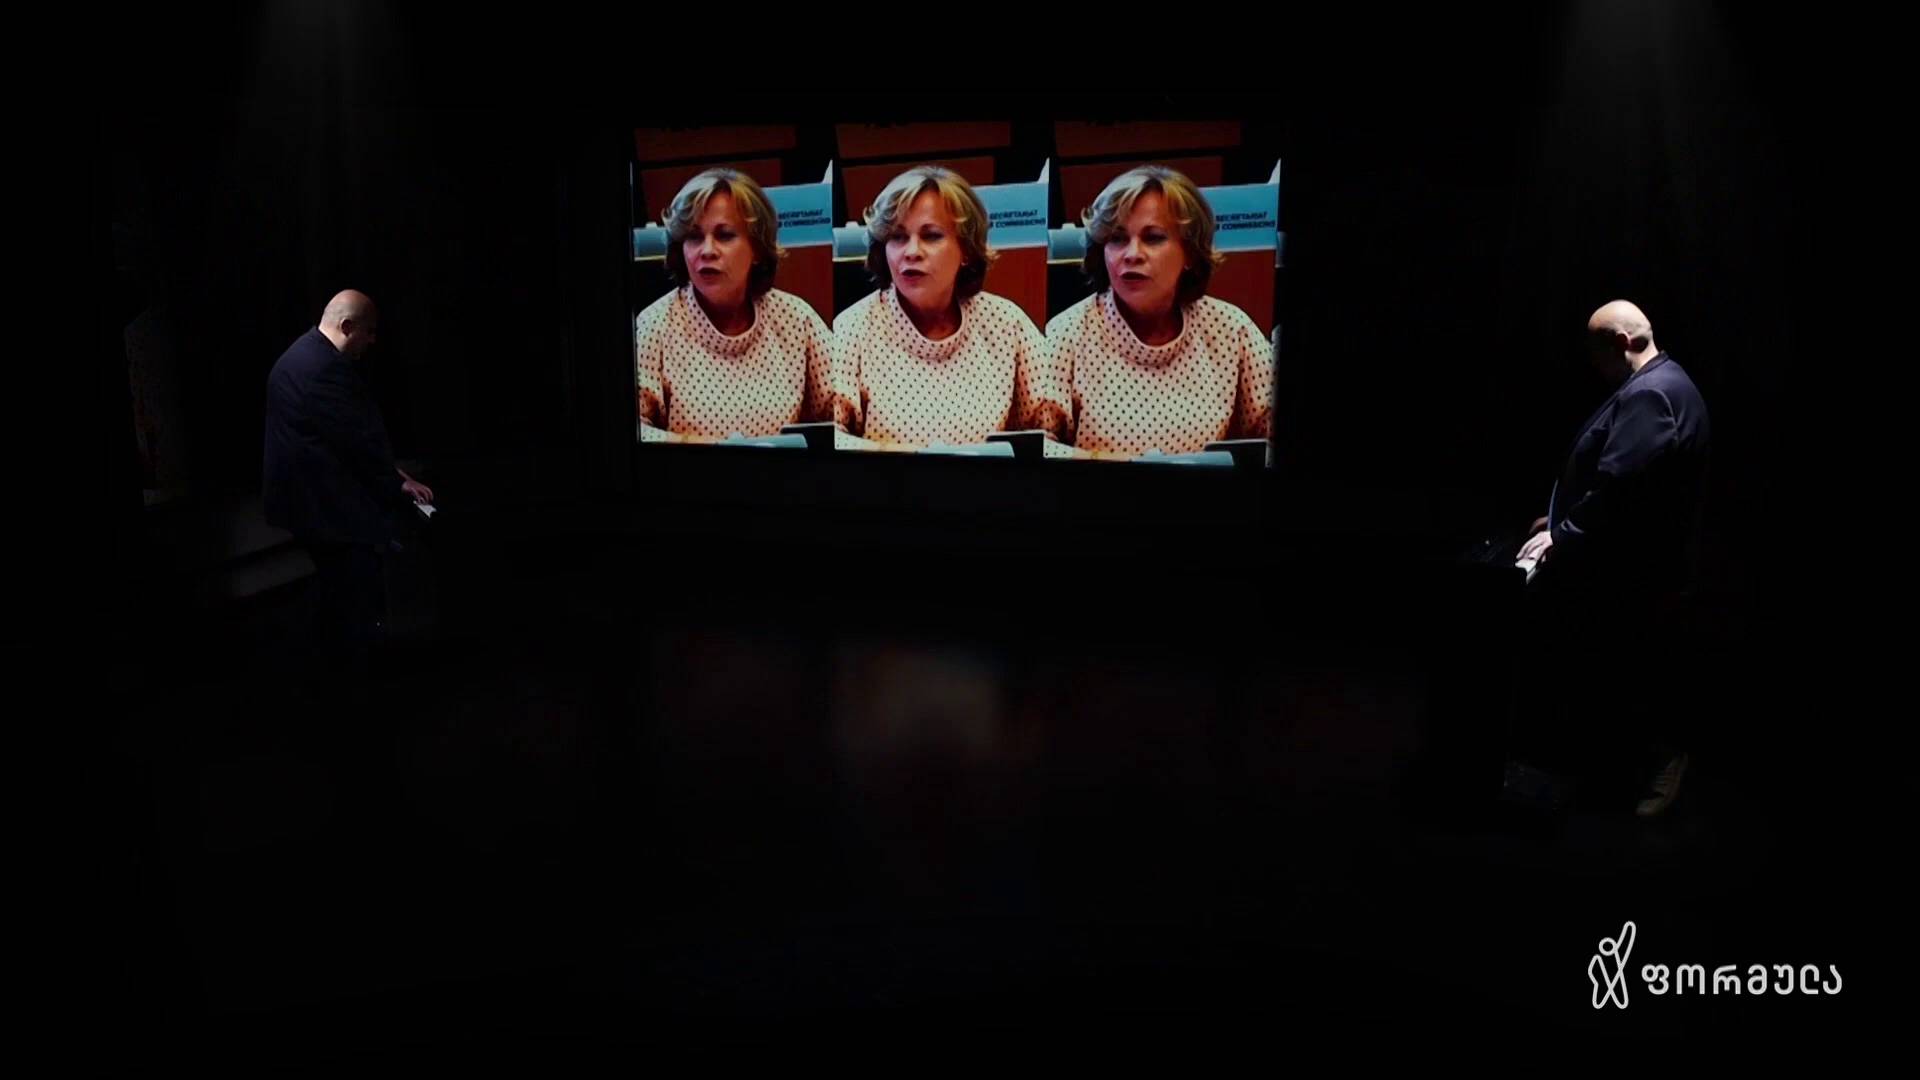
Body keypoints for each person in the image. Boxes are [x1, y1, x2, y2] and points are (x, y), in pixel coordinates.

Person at [1514, 300, 1711, 816]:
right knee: (1632, 676)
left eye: (1596, 352)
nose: (1593, 365)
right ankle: (1629, 768)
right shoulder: (1671, 381)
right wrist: (1557, 519)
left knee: (1632, 678)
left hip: (1637, 573)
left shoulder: (1650, 394)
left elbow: (1620, 487)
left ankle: (1655, 768)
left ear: (1622, 344)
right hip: (1646, 566)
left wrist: (1564, 535)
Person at [264, 289, 431, 688]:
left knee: (335, 595)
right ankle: (358, 688)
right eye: (368, 331)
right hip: (326, 510)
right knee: (355, 597)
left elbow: (336, 439)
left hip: (304, 506)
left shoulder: (297, 356)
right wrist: (398, 482)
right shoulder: (326, 370)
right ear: (347, 326)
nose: (372, 341)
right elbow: (357, 443)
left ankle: (338, 679)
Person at [832, 165, 1068, 447]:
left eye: (931, 235)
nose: (911, 252)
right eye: (898, 237)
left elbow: (1049, 436)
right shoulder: (853, 328)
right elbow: (829, 439)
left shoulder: (1007, 324)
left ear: (966, 249)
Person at [1045, 166, 1273, 455]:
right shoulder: (1066, 333)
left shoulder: (1231, 330)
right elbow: (1036, 446)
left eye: (1153, 238)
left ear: (1190, 252)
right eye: (1117, 238)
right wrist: (1101, 461)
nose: (1132, 254)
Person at [635, 168, 835, 440]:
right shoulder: (654, 326)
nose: (707, 250)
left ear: (757, 248)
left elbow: (843, 412)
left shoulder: (796, 319)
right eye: (694, 237)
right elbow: (633, 432)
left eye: (725, 235)